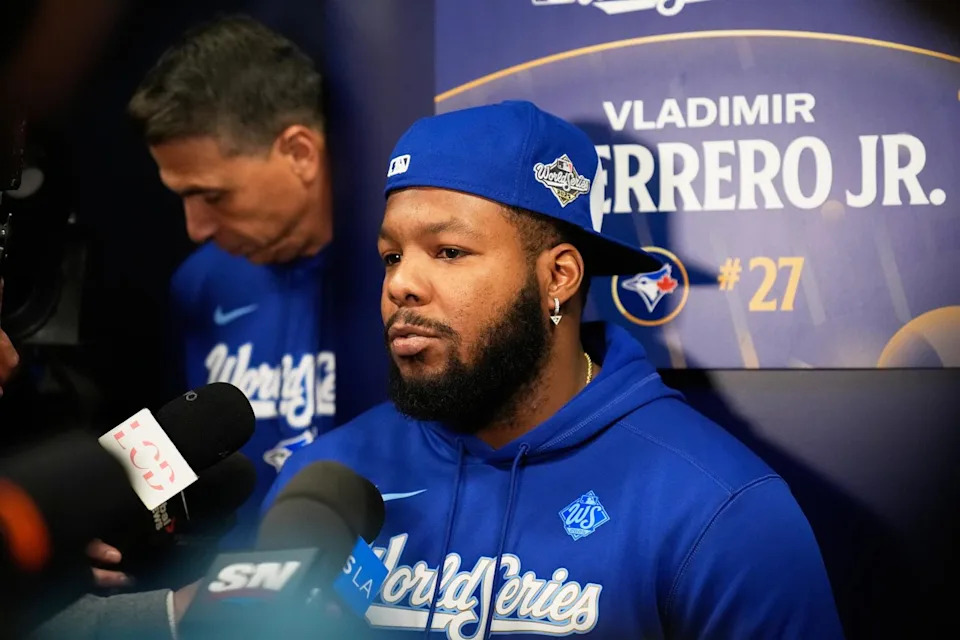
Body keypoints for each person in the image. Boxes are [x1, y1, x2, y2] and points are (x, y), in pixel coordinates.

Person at [263, 100, 845, 638]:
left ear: (559, 277)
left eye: (448, 252)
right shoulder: (323, 486)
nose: (399, 285)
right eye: (392, 256)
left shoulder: (720, 509)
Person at [127, 15, 336, 545]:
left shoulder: (404, 283)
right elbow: (170, 464)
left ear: (299, 153)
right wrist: (119, 527)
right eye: (183, 197)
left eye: (214, 196)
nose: (196, 229)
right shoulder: (199, 284)